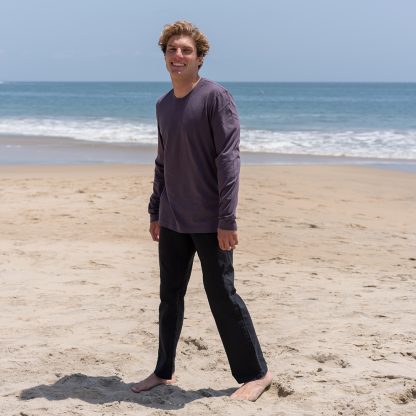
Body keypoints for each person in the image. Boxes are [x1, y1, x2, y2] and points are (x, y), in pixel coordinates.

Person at [131, 21, 272, 401]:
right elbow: (163, 161)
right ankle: (164, 370)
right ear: (164, 56)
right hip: (172, 218)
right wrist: (155, 210)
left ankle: (257, 374)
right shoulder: (163, 105)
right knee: (169, 296)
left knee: (222, 295)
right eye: (171, 50)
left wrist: (227, 218)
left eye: (186, 51)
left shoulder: (216, 97)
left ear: (200, 58)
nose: (178, 56)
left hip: (211, 220)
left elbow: (228, 160)